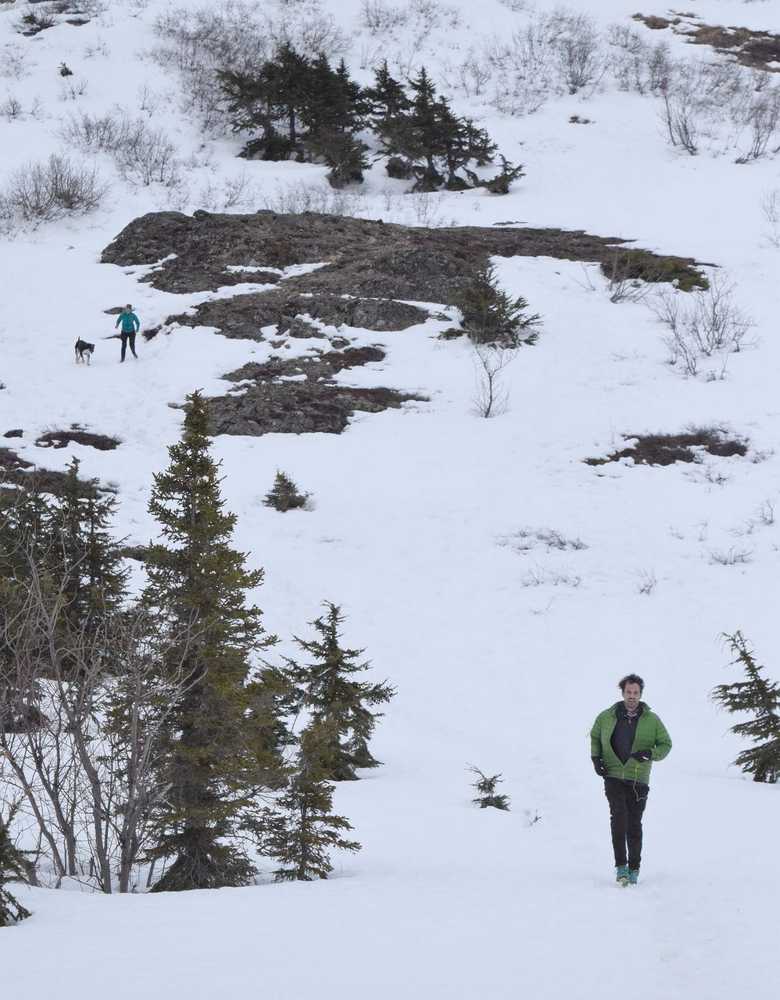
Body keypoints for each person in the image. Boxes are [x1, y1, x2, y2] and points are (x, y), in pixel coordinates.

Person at [590, 674, 671, 885]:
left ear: (641, 694)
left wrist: (650, 753)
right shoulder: (606, 716)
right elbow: (595, 736)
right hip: (613, 775)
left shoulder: (652, 720)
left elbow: (666, 744)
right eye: (628, 692)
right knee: (618, 818)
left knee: (634, 824)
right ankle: (621, 868)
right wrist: (595, 759)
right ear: (622, 693)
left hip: (638, 779)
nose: (632, 696)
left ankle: (634, 868)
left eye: (636, 693)